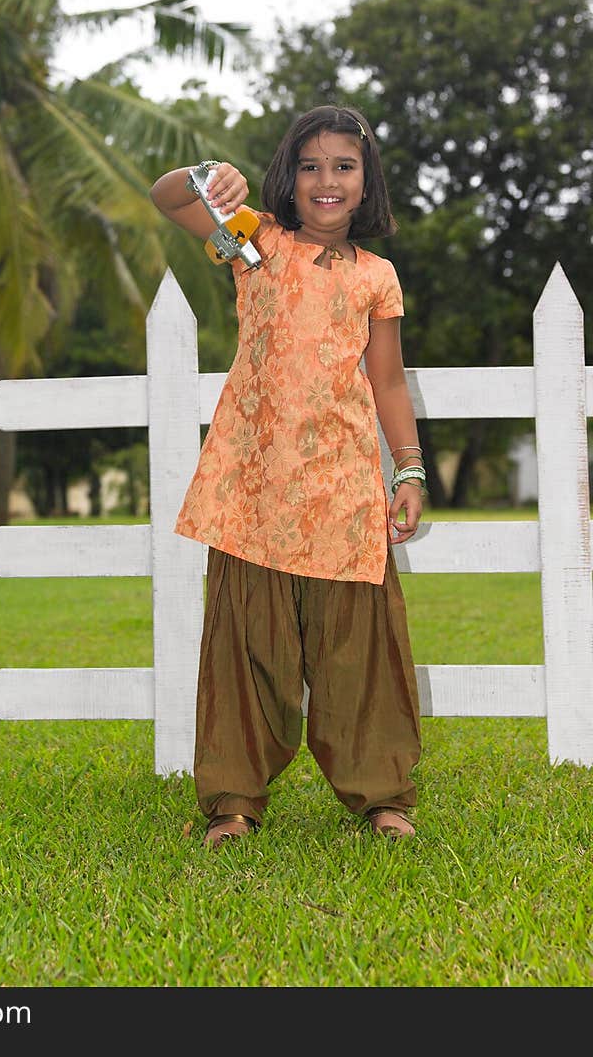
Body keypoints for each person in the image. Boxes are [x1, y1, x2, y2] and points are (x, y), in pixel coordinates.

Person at [149, 104, 425, 848]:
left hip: (341, 493)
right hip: (253, 490)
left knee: (357, 654)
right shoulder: (256, 245)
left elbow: (389, 383)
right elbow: (168, 197)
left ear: (366, 182)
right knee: (247, 648)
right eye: (309, 166)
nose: (326, 181)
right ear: (288, 177)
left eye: (344, 166)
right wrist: (210, 177)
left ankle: (380, 797)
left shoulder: (377, 276)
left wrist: (409, 470)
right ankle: (234, 802)